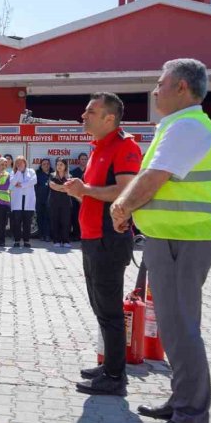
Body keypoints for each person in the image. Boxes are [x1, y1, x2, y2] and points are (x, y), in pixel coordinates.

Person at [111, 59, 211, 423]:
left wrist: (122, 206)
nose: (155, 90)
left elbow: (154, 177)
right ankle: (181, 403)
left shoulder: (188, 126)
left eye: (161, 83)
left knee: (181, 330)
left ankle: (190, 420)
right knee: (176, 330)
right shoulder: (180, 125)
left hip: (182, 240)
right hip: (173, 239)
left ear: (182, 87)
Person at [64, 92, 141, 398]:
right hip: (92, 237)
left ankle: (114, 376)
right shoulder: (98, 147)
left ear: (110, 118)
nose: (83, 116)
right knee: (100, 306)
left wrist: (86, 190)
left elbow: (125, 191)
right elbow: (96, 192)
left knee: (110, 311)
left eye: (90, 112)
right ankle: (109, 365)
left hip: (109, 239)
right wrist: (80, 192)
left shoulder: (125, 146)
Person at [9, 156, 37, 248]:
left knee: (27, 222)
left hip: (28, 200)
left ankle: (26, 241)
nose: (19, 164)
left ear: (25, 163)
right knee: (17, 221)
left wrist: (21, 185)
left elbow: (33, 181)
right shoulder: (13, 172)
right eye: (17, 163)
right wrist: (18, 172)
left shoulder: (31, 171)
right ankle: (17, 240)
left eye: (21, 162)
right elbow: (12, 183)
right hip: (17, 200)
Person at [48, 158, 73, 248]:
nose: (59, 166)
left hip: (66, 203)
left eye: (61, 164)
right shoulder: (52, 175)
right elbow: (52, 186)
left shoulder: (69, 177)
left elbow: (69, 189)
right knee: (55, 221)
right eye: (58, 164)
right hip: (54, 202)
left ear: (65, 166)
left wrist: (58, 187)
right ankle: (56, 241)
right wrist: (63, 187)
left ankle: (65, 241)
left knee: (66, 222)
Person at [70, 152, 89, 241]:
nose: (84, 161)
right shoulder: (73, 172)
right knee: (75, 217)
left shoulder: (89, 171)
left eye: (85, 159)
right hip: (75, 198)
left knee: (86, 217)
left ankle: (85, 235)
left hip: (87, 198)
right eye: (82, 159)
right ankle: (76, 235)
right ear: (79, 161)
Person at [35, 158, 53, 242]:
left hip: (50, 200)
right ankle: (41, 235)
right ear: (41, 166)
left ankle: (47, 235)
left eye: (47, 164)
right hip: (39, 200)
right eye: (44, 164)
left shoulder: (53, 174)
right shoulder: (37, 174)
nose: (46, 165)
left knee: (48, 218)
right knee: (40, 218)